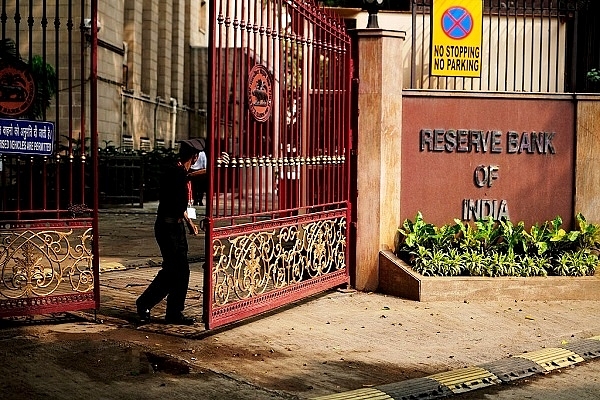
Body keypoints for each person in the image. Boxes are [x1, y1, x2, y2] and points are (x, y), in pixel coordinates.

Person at [136, 138, 205, 325]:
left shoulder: (180, 171)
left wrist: (189, 223)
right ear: (196, 156)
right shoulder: (175, 173)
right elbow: (186, 181)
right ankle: (144, 303)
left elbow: (179, 201)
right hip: (167, 228)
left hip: (177, 226)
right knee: (173, 271)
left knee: (182, 272)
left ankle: (174, 312)